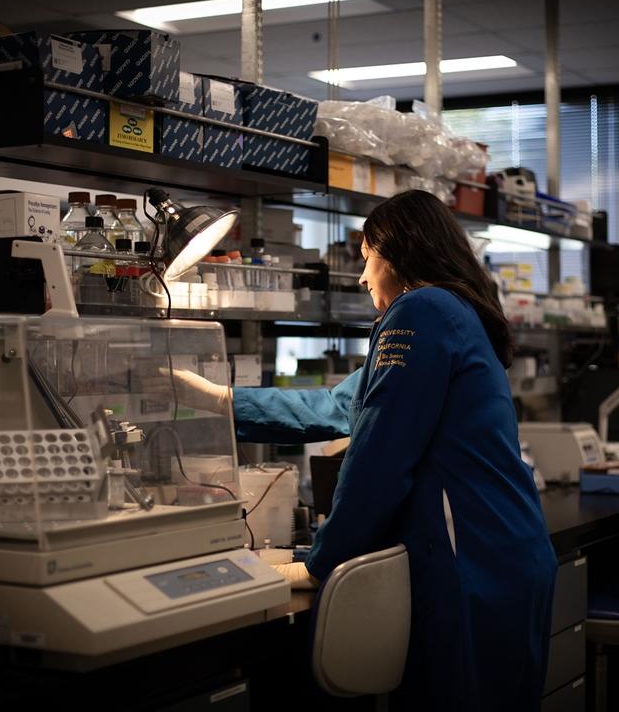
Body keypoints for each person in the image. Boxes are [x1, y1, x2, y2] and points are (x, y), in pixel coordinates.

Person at [175, 190, 557, 711]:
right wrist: (220, 399)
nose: (361, 277)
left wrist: (320, 562)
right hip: (506, 553)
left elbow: (379, 458)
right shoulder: (453, 313)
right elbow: (334, 406)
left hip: (471, 562)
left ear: (397, 252)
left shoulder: (420, 310)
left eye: (366, 259)